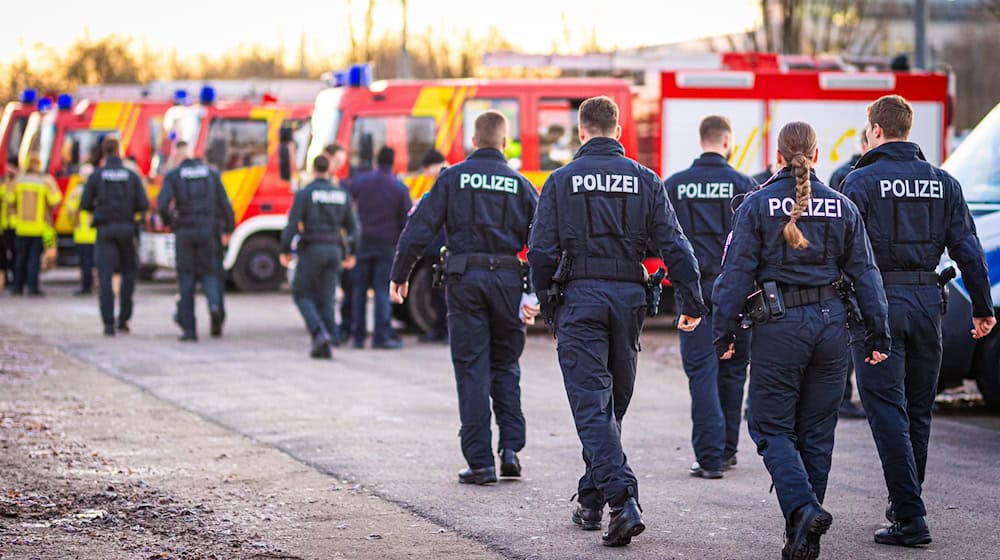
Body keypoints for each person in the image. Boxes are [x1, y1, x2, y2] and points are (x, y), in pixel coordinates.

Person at [528, 96, 706, 547]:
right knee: (610, 405)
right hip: (628, 301)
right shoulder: (646, 180)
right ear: (619, 131)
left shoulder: (561, 180)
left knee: (594, 406)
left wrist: (551, 306)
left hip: (580, 299)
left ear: (581, 132)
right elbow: (676, 245)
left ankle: (621, 499)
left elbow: (542, 252)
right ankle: (591, 500)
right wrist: (691, 300)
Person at [712, 121, 890, 560]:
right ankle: (802, 534)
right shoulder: (844, 207)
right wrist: (877, 331)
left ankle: (805, 509)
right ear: (816, 154)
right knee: (816, 433)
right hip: (832, 328)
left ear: (778, 155)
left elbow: (735, 275)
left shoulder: (754, 206)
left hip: (780, 327)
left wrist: (724, 330)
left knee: (769, 425)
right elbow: (866, 274)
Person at [841, 95, 995, 547]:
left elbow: (844, 255)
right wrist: (984, 308)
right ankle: (904, 500)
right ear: (909, 130)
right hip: (930, 304)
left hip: (877, 306)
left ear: (874, 130)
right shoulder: (943, 183)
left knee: (886, 409)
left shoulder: (859, 182)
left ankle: (910, 515)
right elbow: (969, 249)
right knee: (917, 410)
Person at [390, 110, 539, 486]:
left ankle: (480, 463)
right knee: (505, 365)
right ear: (504, 143)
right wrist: (537, 291)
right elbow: (543, 242)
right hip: (508, 280)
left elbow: (419, 226)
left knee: (472, 367)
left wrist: (400, 273)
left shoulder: (451, 178)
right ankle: (510, 450)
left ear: (473, 142)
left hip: (464, 280)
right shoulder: (521, 184)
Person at [663, 115, 756, 479]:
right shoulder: (745, 185)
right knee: (733, 373)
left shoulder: (675, 186)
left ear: (701, 140)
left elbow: (664, 240)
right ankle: (727, 450)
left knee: (702, 372)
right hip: (736, 292)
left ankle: (709, 456)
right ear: (728, 141)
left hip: (694, 292)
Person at [280, 154, 359, 359]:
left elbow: (292, 224)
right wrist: (352, 252)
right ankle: (328, 339)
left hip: (312, 249)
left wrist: (284, 250)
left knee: (300, 292)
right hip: (334, 251)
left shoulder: (305, 193)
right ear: (329, 170)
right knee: (327, 297)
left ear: (314, 170)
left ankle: (318, 332)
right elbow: (354, 228)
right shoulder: (342, 194)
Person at [158, 141, 235, 341]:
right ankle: (215, 306)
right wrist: (228, 229)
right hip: (208, 231)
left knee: (186, 280)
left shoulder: (174, 175)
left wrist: (171, 223)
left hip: (184, 231)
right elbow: (225, 204)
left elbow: (162, 205)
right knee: (210, 274)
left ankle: (190, 330)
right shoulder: (211, 174)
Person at [80, 137, 149, 335]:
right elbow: (143, 204)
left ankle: (108, 324)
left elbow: (84, 204)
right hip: (127, 230)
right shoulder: (131, 175)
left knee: (105, 277)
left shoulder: (97, 175)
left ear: (104, 152)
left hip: (105, 230)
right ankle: (124, 319)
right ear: (119, 151)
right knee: (128, 274)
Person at [828, 127, 871, 420]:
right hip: (858, 269)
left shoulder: (845, 175)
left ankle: (844, 395)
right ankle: (843, 396)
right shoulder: (852, 176)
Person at [350, 146, 412, 349]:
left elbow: (348, 196)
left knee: (359, 290)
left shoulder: (362, 182)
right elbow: (406, 220)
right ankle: (380, 337)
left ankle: (358, 337)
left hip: (364, 241)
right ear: (393, 162)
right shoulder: (399, 187)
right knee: (381, 291)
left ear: (377, 160)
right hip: (386, 244)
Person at [10, 154, 61, 296]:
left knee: (20, 257)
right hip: (39, 227)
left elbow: (10, 199)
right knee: (34, 259)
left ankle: (17, 287)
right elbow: (55, 199)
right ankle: (33, 288)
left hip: (21, 227)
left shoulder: (18, 181)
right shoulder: (44, 181)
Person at [415, 148, 449, 344]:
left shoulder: (448, 182)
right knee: (434, 290)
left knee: (443, 291)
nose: (426, 173)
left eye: (427, 168)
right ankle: (438, 328)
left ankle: (445, 330)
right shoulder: (438, 184)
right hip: (434, 247)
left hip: (443, 247)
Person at [323, 143, 355, 345]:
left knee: (346, 289)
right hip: (334, 244)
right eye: (337, 161)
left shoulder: (341, 183)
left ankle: (339, 328)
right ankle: (329, 331)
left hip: (340, 244)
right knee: (327, 291)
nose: (340, 166)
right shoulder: (327, 184)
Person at [66, 146, 102, 296]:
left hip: (81, 232)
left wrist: (73, 224)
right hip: (96, 232)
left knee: (85, 263)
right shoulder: (100, 190)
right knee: (97, 263)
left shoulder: (76, 191)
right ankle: (98, 285)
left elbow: (70, 210)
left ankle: (86, 287)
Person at [1, 160, 18, 288]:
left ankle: (15, 278)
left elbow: (11, 199)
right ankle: (6, 278)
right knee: (5, 254)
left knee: (15, 253)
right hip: (4, 225)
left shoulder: (17, 184)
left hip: (15, 225)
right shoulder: (4, 184)